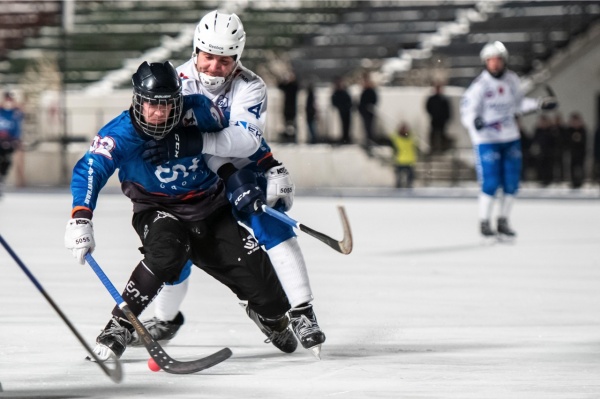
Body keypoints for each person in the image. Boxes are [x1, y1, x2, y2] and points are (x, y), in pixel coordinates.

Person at [64, 61, 297, 361]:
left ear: (180, 99)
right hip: (157, 209)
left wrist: (239, 172)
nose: (158, 113)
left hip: (210, 206)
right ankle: (120, 324)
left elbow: (228, 142)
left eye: (167, 105)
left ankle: (265, 312)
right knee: (167, 252)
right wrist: (81, 217)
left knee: (271, 297)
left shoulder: (199, 109)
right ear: (137, 100)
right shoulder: (120, 132)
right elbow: (90, 169)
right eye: (151, 104)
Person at [142, 10, 326, 357]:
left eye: (224, 61)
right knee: (176, 247)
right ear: (196, 50)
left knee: (272, 224)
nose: (213, 68)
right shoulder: (174, 80)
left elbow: (245, 141)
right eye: (208, 57)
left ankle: (302, 311)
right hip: (191, 174)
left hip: (242, 169)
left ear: (237, 59)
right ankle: (165, 320)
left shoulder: (251, 84)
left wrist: (268, 167)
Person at [460, 41, 558, 239]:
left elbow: (518, 104)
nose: (495, 64)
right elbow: (467, 111)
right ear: (485, 62)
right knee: (490, 182)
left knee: (511, 182)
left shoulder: (512, 80)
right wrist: (475, 121)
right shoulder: (480, 86)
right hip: (487, 139)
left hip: (510, 136)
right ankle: (484, 221)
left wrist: (539, 104)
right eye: (491, 60)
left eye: (498, 60)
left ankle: (503, 220)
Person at [0, 91, 23, 196]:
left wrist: (16, 140)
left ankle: (2, 178)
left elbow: (17, 127)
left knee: (7, 161)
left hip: (10, 141)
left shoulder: (16, 113)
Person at [425, 82, 452, 154]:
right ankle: (433, 148)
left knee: (442, 134)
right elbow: (428, 107)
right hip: (434, 119)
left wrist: (446, 118)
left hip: (442, 120)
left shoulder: (444, 99)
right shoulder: (432, 99)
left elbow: (448, 110)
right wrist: (432, 114)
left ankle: (442, 149)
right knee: (433, 134)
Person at [390, 122, 417, 188]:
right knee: (400, 178)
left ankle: (407, 186)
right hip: (400, 160)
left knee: (409, 178)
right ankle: (400, 186)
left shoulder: (411, 138)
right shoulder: (397, 138)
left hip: (408, 160)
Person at [565, 112, 587, 189]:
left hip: (581, 153)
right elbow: (566, 141)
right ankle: (573, 182)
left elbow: (584, 141)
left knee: (580, 168)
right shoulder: (569, 130)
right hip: (572, 153)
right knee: (572, 167)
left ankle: (580, 182)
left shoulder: (583, 130)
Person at [277, 71, 299, 143]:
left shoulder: (294, 86)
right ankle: (287, 137)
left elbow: (296, 86)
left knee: (292, 124)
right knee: (286, 124)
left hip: (292, 108)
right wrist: (284, 80)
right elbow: (280, 86)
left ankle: (293, 137)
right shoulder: (287, 86)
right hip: (287, 108)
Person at [357, 71, 378, 148]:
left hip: (369, 112)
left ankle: (370, 140)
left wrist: (369, 106)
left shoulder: (371, 91)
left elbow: (374, 101)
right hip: (364, 112)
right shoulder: (365, 91)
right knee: (366, 127)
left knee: (370, 127)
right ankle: (368, 140)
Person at [331, 76, 353, 145]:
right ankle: (344, 138)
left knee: (347, 125)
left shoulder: (345, 91)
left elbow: (349, 101)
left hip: (346, 111)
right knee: (342, 125)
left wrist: (347, 106)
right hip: (341, 111)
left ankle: (346, 138)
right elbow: (334, 102)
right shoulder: (336, 92)